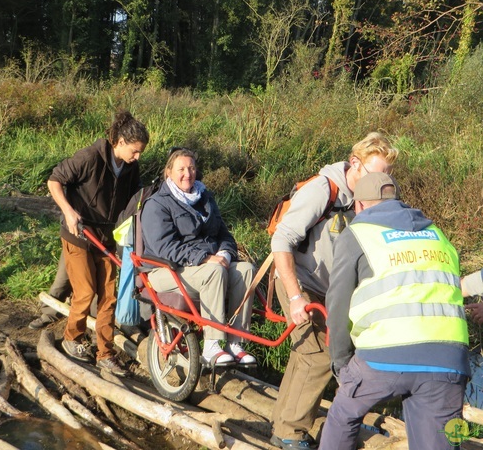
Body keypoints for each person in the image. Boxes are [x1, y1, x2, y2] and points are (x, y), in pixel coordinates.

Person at [321, 172, 469, 450]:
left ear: (360, 206)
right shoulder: (437, 233)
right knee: (441, 442)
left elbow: (338, 304)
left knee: (343, 414)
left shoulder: (357, 234)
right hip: (449, 361)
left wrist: (341, 363)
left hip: (383, 356)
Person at [270, 132, 398, 449]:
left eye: (386, 176)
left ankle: (283, 424)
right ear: (355, 163)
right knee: (318, 354)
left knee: (306, 352)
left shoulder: (371, 196)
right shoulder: (321, 190)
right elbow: (281, 241)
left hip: (330, 290)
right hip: (298, 280)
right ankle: (291, 432)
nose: (381, 182)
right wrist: (296, 295)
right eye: (375, 173)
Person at [47, 110, 149, 376]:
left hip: (106, 236)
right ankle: (72, 338)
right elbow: (54, 180)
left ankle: (105, 352)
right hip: (78, 233)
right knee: (85, 290)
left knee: (109, 295)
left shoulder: (130, 167)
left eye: (139, 153)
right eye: (135, 151)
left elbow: (134, 199)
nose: (137, 157)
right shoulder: (90, 157)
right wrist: (69, 213)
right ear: (121, 142)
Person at [140, 148, 257, 366]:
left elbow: (223, 234)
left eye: (192, 168)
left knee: (246, 270)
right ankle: (212, 345)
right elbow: (165, 247)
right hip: (165, 270)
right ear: (169, 173)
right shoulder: (157, 204)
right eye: (181, 169)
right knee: (214, 271)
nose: (188, 173)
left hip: (203, 267)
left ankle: (235, 343)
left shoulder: (205, 197)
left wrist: (224, 253)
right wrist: (204, 257)